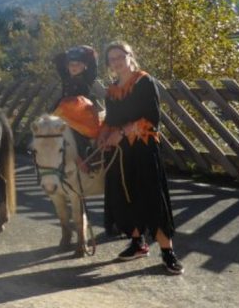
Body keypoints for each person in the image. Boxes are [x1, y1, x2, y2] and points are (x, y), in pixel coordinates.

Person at [97, 41, 183, 275]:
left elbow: (152, 118)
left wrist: (122, 132)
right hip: (120, 153)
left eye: (119, 56)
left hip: (143, 150)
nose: (115, 62)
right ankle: (137, 244)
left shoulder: (145, 82)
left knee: (152, 199)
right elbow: (110, 120)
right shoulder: (112, 90)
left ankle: (167, 252)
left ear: (130, 55)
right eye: (111, 59)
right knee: (125, 197)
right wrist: (104, 136)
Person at [51, 45, 101, 164]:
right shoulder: (66, 77)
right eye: (71, 64)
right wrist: (68, 52)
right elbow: (58, 60)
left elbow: (93, 65)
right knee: (51, 126)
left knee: (78, 133)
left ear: (84, 66)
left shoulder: (87, 77)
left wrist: (89, 51)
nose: (74, 67)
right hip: (65, 109)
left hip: (81, 111)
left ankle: (86, 155)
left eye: (78, 64)